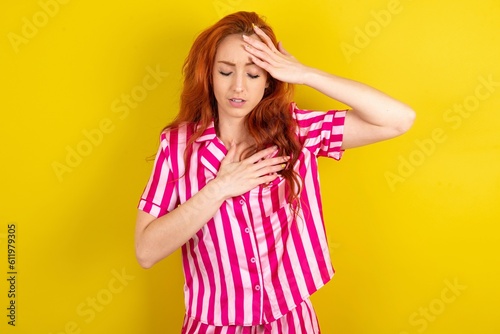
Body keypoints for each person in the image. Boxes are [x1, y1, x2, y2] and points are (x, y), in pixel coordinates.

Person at [134, 11, 415, 334]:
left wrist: (305, 74)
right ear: (208, 74)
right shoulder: (178, 145)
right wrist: (220, 187)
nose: (237, 87)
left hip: (290, 320)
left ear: (269, 79)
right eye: (226, 71)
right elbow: (146, 250)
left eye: (253, 75)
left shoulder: (295, 130)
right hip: (213, 324)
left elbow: (398, 119)